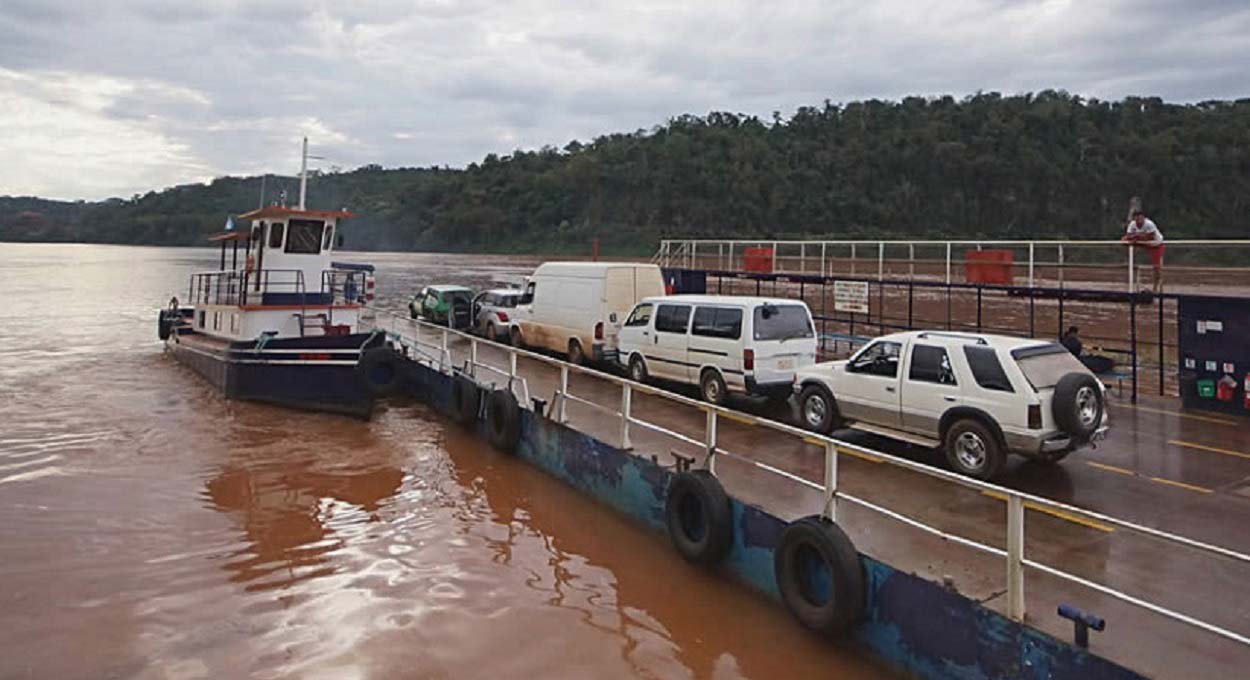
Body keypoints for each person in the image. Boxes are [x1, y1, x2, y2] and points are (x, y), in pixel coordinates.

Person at [1121, 209, 1165, 294]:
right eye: (1136, 219)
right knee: (1124, 240)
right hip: (1142, 242)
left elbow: (1150, 237)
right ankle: (1128, 259)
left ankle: (1155, 288)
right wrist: (1133, 239)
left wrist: (1136, 237)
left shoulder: (1149, 224)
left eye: (1140, 219)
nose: (1138, 221)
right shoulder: (1132, 224)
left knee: (1156, 267)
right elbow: (1128, 236)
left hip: (1155, 244)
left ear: (1143, 218)